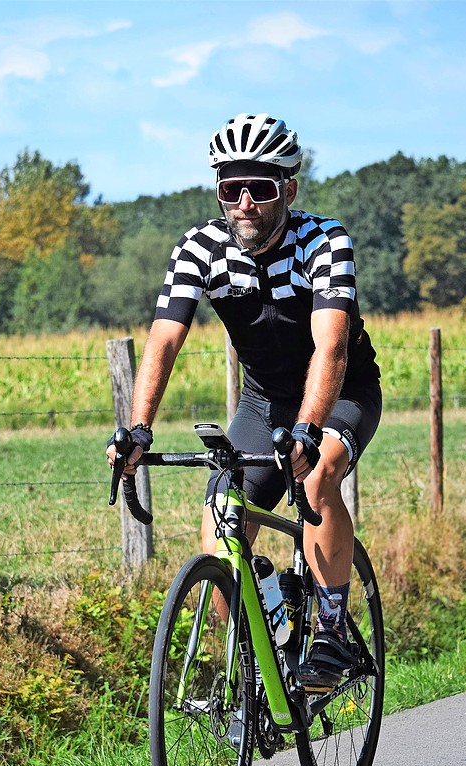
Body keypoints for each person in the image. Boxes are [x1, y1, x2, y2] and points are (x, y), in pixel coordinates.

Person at [108, 112, 381, 691]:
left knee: (316, 479)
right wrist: (137, 430)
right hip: (262, 403)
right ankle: (265, 667)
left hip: (339, 395)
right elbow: (164, 339)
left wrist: (308, 431)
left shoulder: (324, 241)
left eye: (259, 189)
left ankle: (331, 632)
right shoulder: (200, 247)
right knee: (219, 531)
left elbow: (330, 347)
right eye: (232, 189)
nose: (245, 203)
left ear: (288, 190)